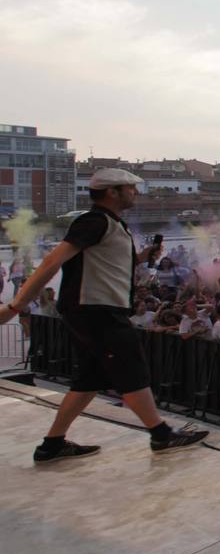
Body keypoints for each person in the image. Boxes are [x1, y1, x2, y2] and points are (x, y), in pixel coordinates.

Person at [0, 169, 205, 461]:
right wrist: (16, 305)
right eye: (130, 189)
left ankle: (52, 444)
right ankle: (161, 435)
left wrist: (142, 258)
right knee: (132, 370)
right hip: (97, 311)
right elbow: (52, 261)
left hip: (97, 310)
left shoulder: (111, 225)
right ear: (113, 192)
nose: (135, 193)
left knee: (89, 380)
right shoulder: (94, 221)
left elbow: (105, 263)